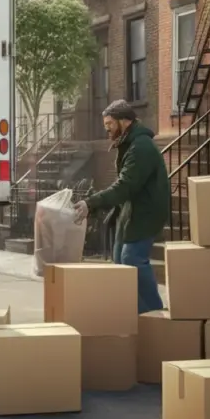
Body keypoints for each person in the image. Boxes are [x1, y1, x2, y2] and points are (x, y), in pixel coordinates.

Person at [74, 100, 169, 314]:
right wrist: (94, 204)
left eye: (109, 123)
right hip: (130, 210)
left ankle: (153, 313)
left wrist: (92, 203)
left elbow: (125, 185)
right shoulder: (128, 143)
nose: (106, 128)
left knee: (131, 258)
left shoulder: (141, 146)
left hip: (146, 212)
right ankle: (134, 314)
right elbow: (124, 188)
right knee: (119, 259)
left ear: (124, 121)